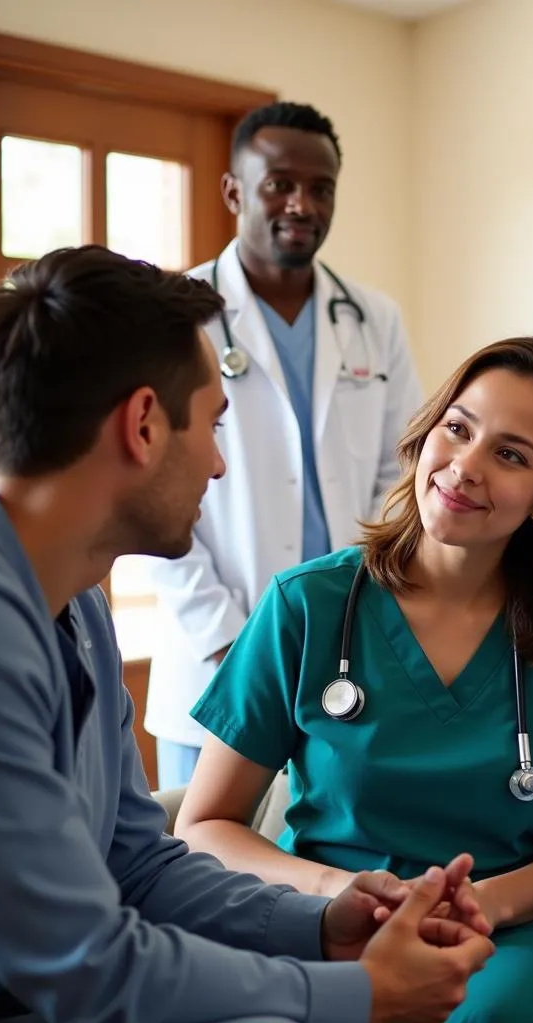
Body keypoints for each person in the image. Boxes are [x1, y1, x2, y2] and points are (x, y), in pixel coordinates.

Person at [0, 245, 493, 1023]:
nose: (217, 464)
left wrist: (322, 925)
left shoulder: (78, 606)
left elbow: (137, 866)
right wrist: (361, 996)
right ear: (143, 425)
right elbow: (83, 960)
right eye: (212, 424)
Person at [173, 337, 533, 1023]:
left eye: (510, 454)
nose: (465, 467)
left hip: (509, 932)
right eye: (457, 429)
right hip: (325, 919)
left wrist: (481, 904)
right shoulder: (306, 605)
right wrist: (342, 891)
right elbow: (206, 823)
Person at [145, 101, 424, 788]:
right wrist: (225, 641)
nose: (301, 203)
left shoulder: (373, 318)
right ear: (234, 190)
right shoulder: (175, 313)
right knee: (202, 862)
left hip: (343, 650)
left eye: (320, 187)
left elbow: (402, 472)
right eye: (279, 183)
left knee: (321, 862)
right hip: (215, 655)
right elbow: (145, 486)